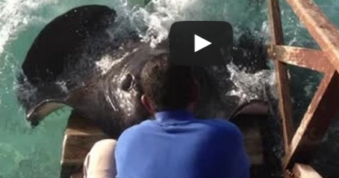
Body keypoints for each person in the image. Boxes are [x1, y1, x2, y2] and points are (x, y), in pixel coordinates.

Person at [84, 53, 250, 178]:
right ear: (196, 92)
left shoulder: (128, 138)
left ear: (146, 103)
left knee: (105, 147)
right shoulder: (227, 133)